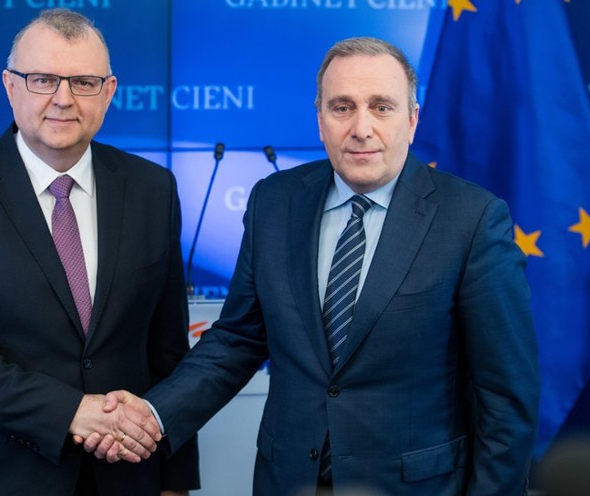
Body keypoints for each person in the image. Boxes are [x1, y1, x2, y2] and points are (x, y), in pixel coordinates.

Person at [85, 36, 540, 495]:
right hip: (289, 480)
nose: (361, 127)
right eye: (342, 107)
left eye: (382, 107)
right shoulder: (274, 202)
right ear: (320, 120)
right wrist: (153, 414)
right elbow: (238, 338)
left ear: (412, 119)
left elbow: (505, 398)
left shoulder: (472, 219)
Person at [0, 8, 199, 496]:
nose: (63, 99)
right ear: (10, 86)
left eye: (83, 82)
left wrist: (174, 477)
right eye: (43, 79)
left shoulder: (153, 189)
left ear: (108, 92)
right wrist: (73, 412)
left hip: (127, 477)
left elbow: (168, 348)